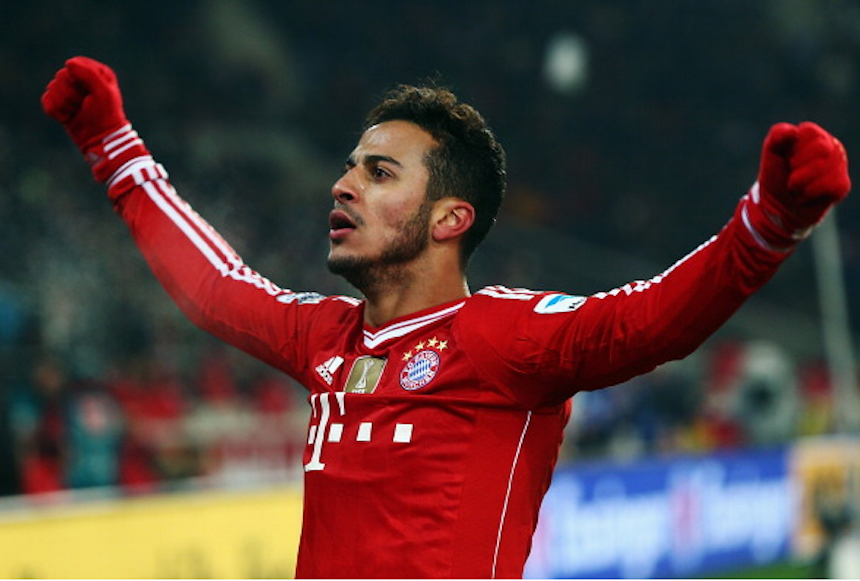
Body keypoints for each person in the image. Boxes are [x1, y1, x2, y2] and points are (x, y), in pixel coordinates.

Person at [41, 56, 850, 578]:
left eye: (379, 172)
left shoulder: (503, 338)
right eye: (349, 167)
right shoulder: (327, 339)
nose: (342, 185)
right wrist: (116, 149)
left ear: (449, 218)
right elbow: (216, 287)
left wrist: (766, 224)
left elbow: (651, 320)